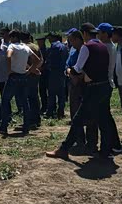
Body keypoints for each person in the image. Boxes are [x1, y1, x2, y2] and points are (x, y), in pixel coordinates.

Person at [46, 25, 115, 160]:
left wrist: (69, 71)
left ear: (84, 33)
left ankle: (64, 149)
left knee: (78, 119)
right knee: (103, 119)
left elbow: (77, 68)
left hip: (93, 88)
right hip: (105, 86)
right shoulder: (103, 46)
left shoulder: (87, 47)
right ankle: (106, 150)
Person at [0, 29, 32, 135]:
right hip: (23, 76)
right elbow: (38, 60)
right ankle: (26, 126)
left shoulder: (11, 46)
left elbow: (8, 56)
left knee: (5, 100)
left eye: (10, 37)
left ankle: (4, 126)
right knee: (25, 102)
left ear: (14, 37)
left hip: (13, 76)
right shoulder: (26, 47)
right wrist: (30, 70)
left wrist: (9, 70)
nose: (9, 39)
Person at [95, 23, 122, 154]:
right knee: (106, 116)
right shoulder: (110, 46)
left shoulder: (105, 47)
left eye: (99, 33)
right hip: (108, 83)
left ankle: (109, 146)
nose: (98, 35)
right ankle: (114, 144)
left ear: (105, 34)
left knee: (104, 117)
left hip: (104, 83)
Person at [22, 32, 43, 128]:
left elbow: (23, 62)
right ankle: (37, 119)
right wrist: (36, 69)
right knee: (35, 96)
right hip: (36, 74)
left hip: (27, 74)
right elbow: (41, 60)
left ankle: (30, 120)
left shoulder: (24, 47)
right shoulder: (36, 46)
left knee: (27, 97)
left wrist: (30, 70)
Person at [45, 32, 68, 119]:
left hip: (54, 71)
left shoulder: (53, 46)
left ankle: (50, 112)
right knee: (61, 93)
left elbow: (50, 59)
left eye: (50, 38)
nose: (49, 40)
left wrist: (48, 66)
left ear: (54, 38)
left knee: (51, 93)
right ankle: (61, 112)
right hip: (62, 72)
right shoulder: (64, 47)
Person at [36, 35, 49, 115]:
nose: (38, 43)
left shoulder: (47, 50)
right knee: (42, 91)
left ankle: (48, 107)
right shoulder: (38, 50)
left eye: (40, 41)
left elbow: (48, 62)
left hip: (46, 73)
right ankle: (44, 106)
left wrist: (42, 68)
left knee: (47, 90)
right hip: (40, 73)